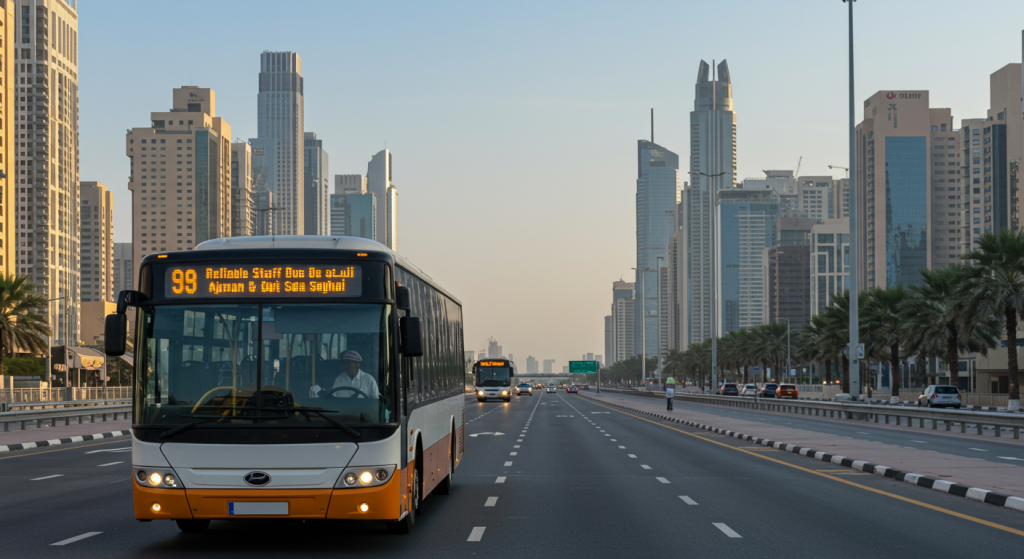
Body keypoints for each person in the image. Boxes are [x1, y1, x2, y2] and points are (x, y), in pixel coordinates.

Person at [310, 350, 380, 399]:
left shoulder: (368, 379)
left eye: (348, 364)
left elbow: (375, 401)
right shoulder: (339, 379)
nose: (346, 366)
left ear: (357, 365)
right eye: (345, 364)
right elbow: (333, 398)